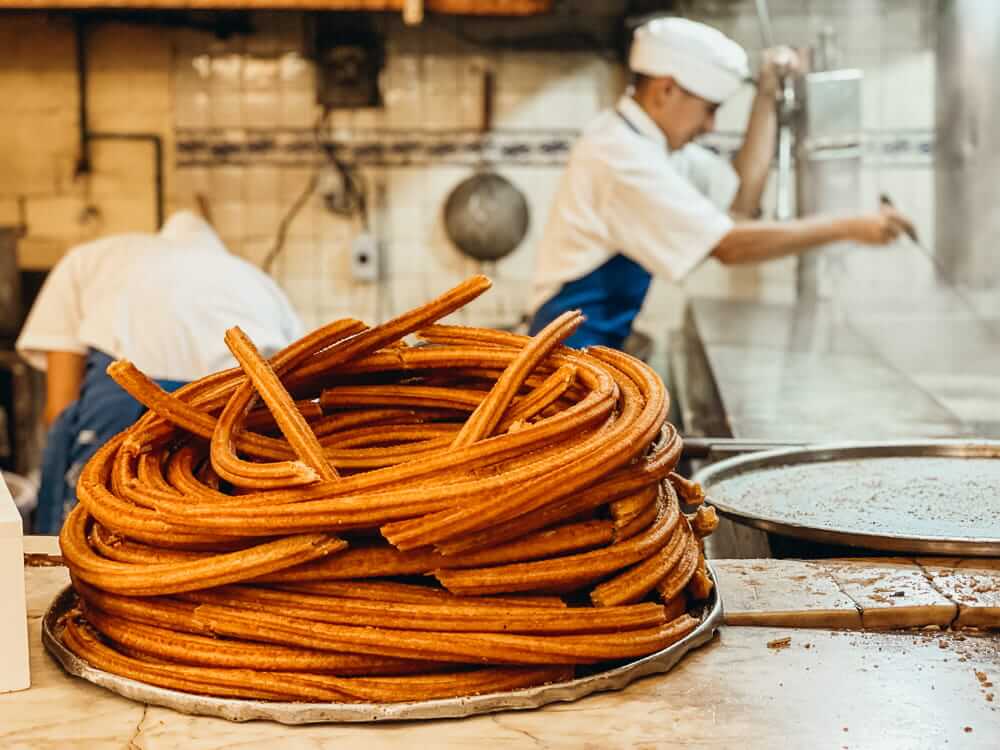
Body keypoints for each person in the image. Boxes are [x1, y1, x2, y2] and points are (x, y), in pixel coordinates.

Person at [529, 16, 915, 350]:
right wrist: (850, 226)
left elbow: (741, 199)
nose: (710, 126)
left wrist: (766, 95)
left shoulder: (653, 145)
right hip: (565, 358)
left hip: (590, 350)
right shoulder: (618, 154)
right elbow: (728, 245)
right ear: (666, 90)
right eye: (709, 110)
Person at [16, 210, 305, 533]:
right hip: (236, 420)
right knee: (213, 547)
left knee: (93, 543)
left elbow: (60, 404)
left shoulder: (91, 259)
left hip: (118, 410)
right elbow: (291, 401)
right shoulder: (262, 285)